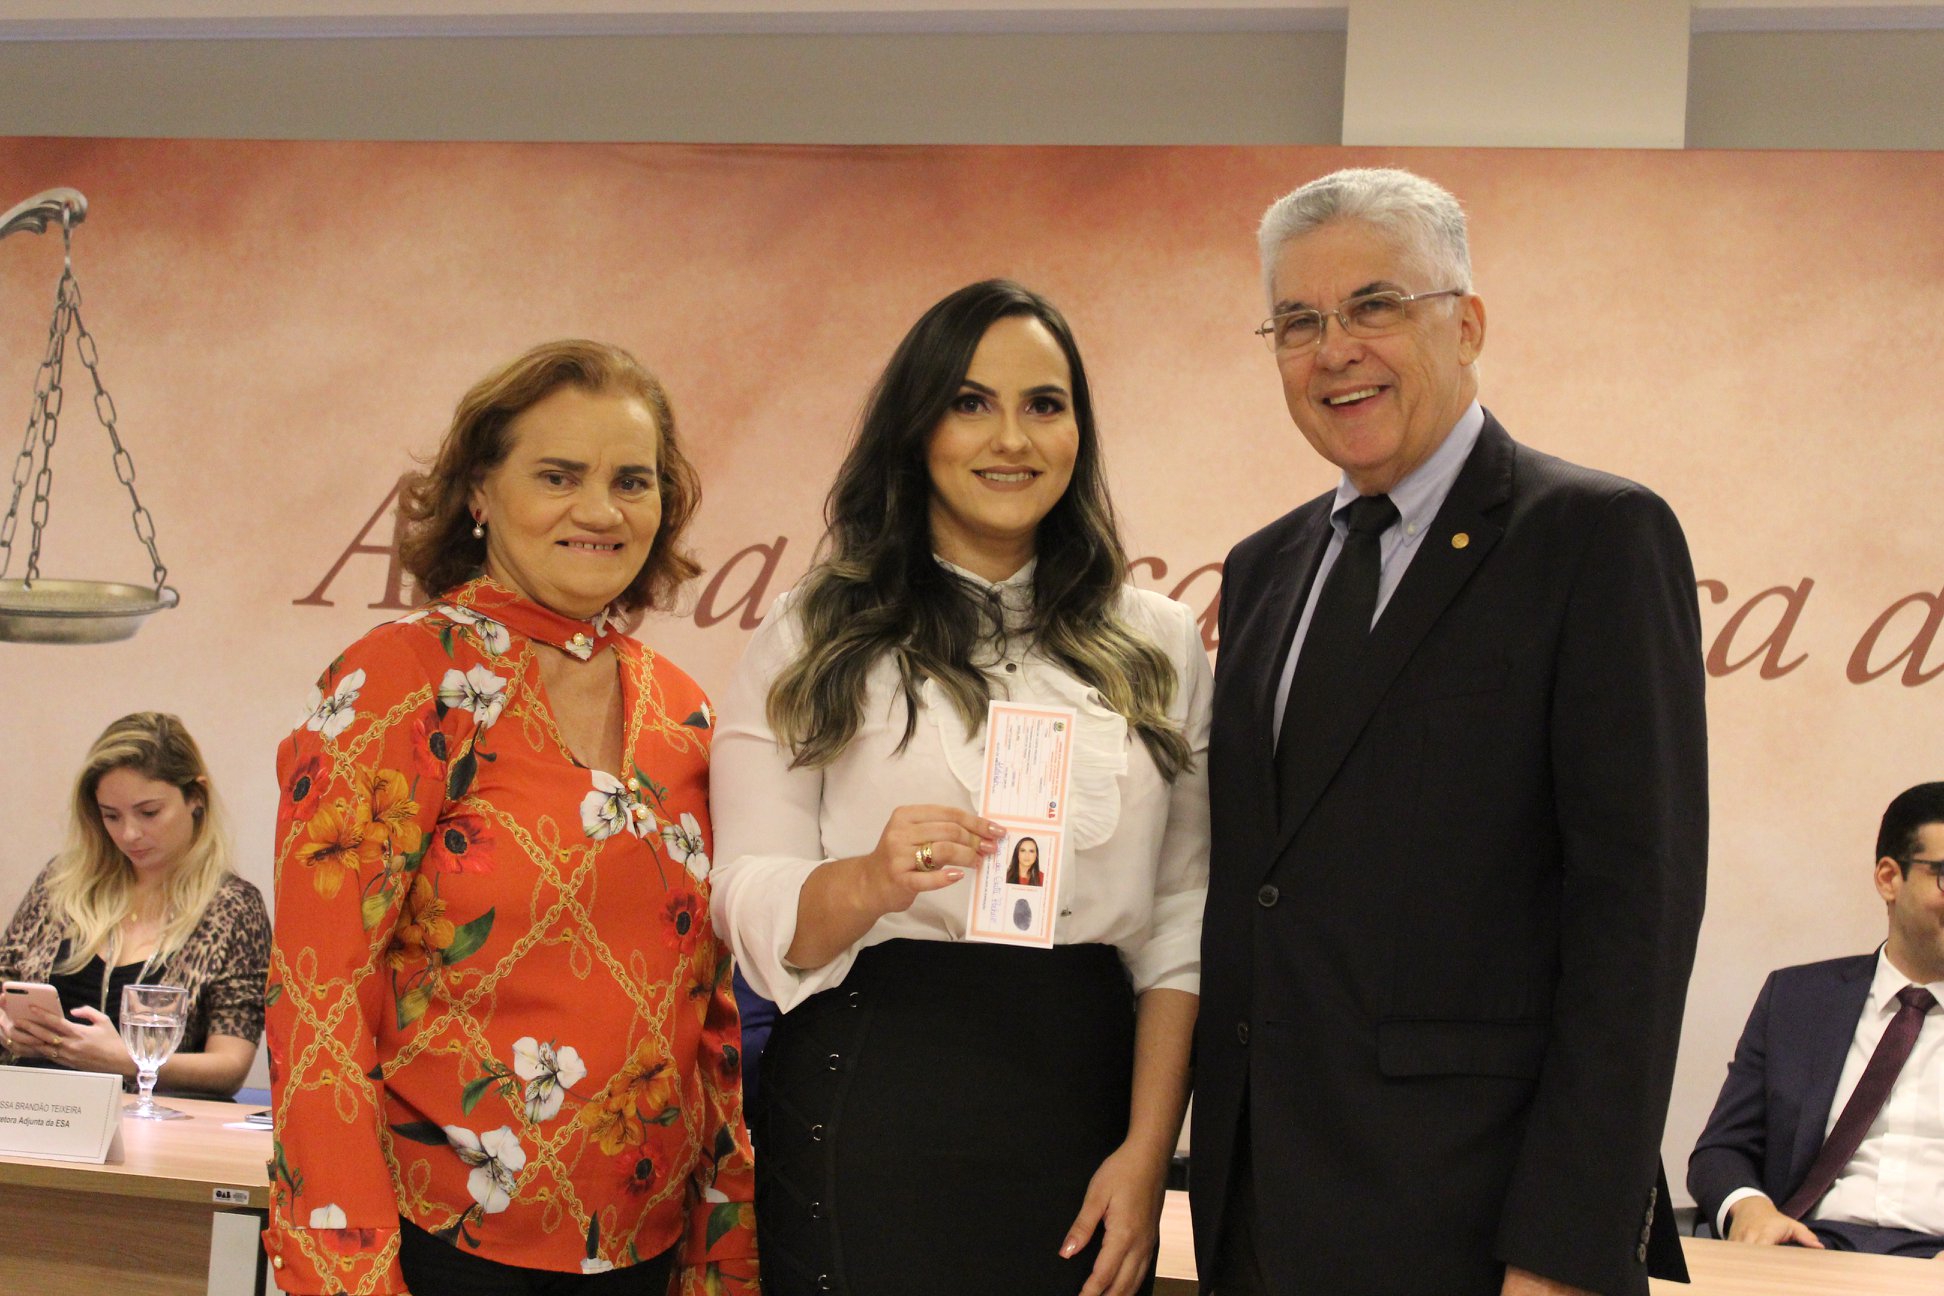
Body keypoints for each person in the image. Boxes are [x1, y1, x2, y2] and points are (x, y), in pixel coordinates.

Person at [1191, 167, 1708, 1296]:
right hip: (1255, 1212)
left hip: (1473, 1221)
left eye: (1374, 305)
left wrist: (1567, 1248)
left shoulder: (1595, 538)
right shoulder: (1265, 567)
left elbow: (1637, 915)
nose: (1335, 350)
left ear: (1466, 324)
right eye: (1297, 322)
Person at [711, 279, 1210, 1296]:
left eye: (1044, 404)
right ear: (916, 427)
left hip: (1085, 1110)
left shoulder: (1158, 642)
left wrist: (1148, 1151)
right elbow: (745, 896)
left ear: (1078, 431)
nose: (1011, 439)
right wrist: (868, 880)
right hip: (872, 1102)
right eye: (970, 402)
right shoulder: (814, 630)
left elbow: (1180, 916)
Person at [263, 340, 756, 1295]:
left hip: (646, 1250)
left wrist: (723, 1248)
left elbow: (708, 1010)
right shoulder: (397, 684)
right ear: (479, 493)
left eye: (632, 481)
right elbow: (319, 1003)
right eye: (558, 476)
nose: (601, 510)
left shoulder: (684, 710)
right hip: (437, 1247)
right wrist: (345, 1271)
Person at [1689, 782, 1944, 1260]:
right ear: (1890, 878)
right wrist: (1752, 1211)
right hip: (1810, 1249)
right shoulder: (1797, 1000)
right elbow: (1722, 1150)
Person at [0, 711, 268, 1096]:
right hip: (35, 1108)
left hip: (156, 1122)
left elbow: (229, 1066)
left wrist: (127, 1060)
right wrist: (8, 1029)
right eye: (111, 815)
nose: (129, 834)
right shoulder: (62, 883)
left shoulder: (234, 907)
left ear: (196, 797)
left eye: (149, 813)